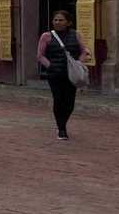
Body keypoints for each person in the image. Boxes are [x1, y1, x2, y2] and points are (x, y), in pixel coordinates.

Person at [36, 10, 91, 140]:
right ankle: (61, 129)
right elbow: (40, 55)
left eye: (61, 20)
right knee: (58, 99)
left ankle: (63, 122)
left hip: (71, 74)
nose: (57, 22)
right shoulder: (46, 36)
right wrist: (51, 66)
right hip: (55, 75)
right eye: (55, 20)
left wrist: (79, 63)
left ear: (68, 22)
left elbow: (84, 51)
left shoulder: (76, 35)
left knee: (69, 102)